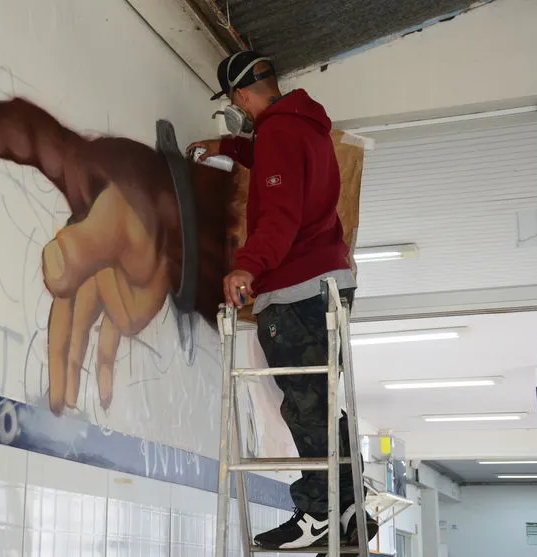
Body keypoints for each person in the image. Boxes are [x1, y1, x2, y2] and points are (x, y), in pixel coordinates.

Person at [187, 50, 379, 551]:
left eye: (237, 105)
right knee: (323, 403)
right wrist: (231, 145)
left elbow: (279, 213)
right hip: (331, 281)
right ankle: (349, 508)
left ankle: (319, 513)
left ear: (242, 96)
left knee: (306, 406)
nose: (242, 112)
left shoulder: (275, 133)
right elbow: (283, 170)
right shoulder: (304, 126)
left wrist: (248, 264)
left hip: (298, 287)